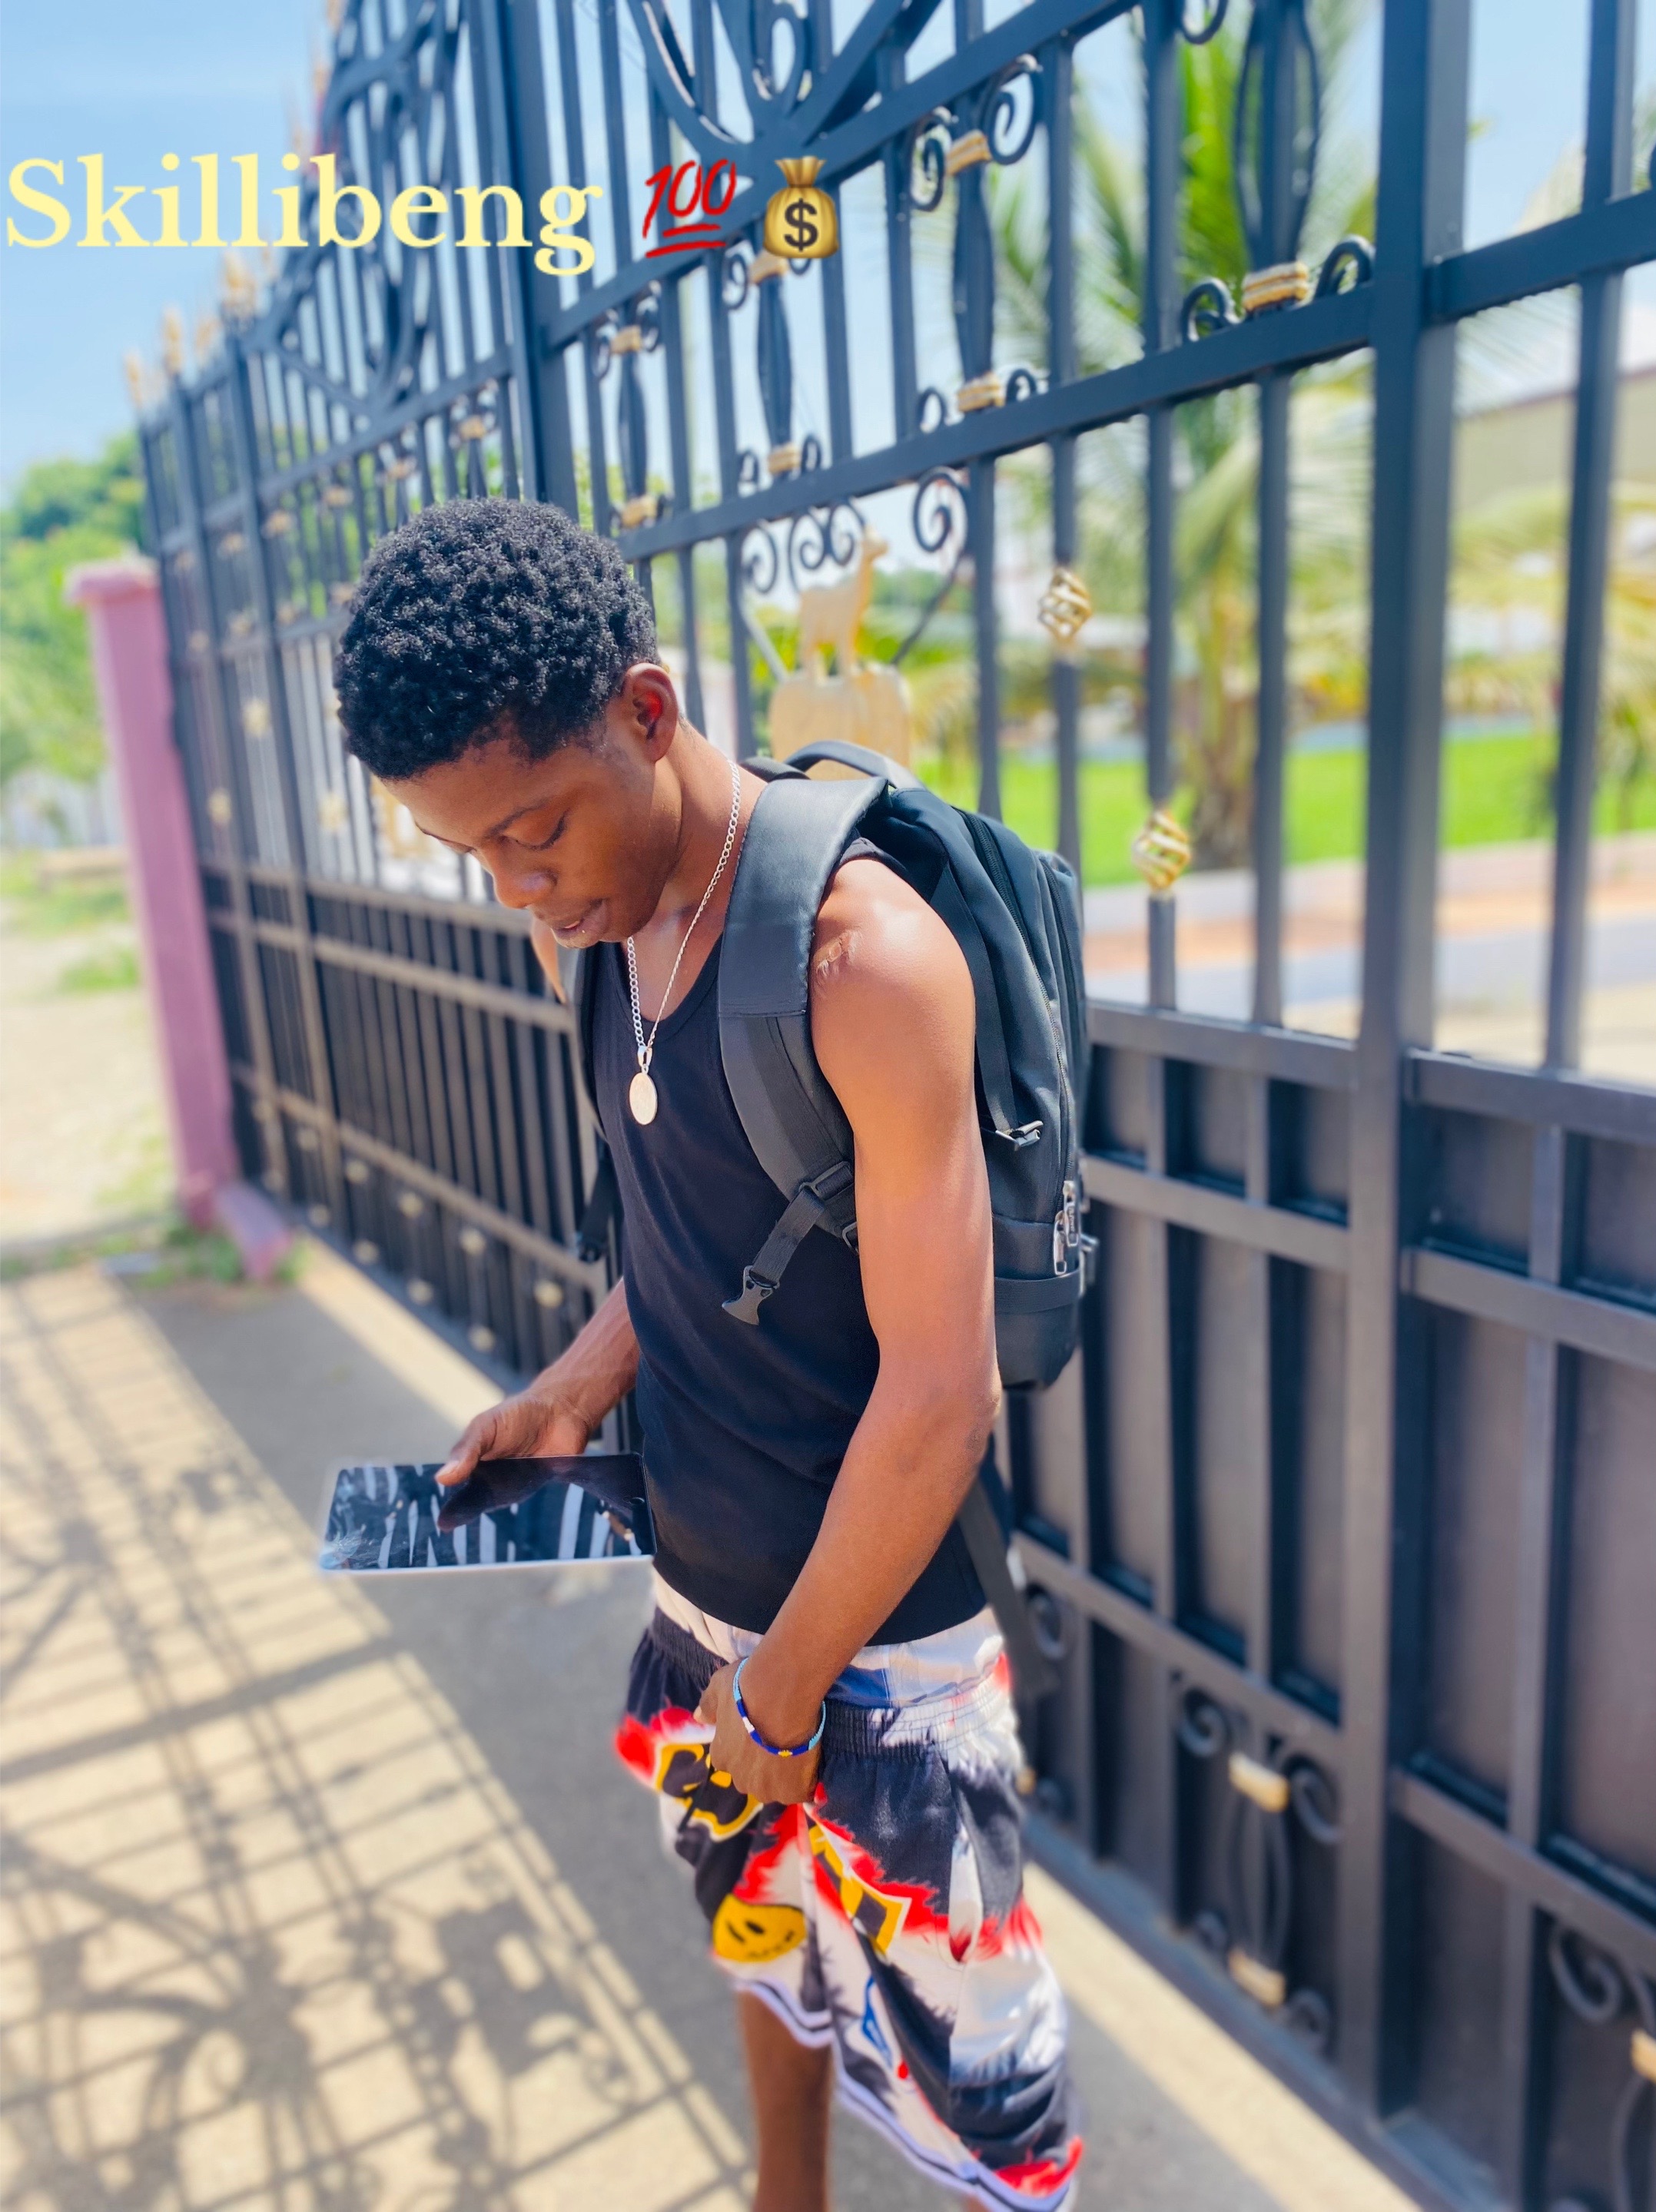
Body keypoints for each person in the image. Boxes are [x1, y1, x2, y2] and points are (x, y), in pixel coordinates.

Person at [333, 498, 1083, 2210]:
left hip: (880, 1651)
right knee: (768, 1946)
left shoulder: (864, 962)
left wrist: (785, 1694)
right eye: (473, 854)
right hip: (712, 1611)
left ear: (648, 712)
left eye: (535, 829)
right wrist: (566, 1392)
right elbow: (693, 1244)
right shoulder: (599, 926)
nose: (521, 887)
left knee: (986, 2094)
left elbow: (942, 1393)